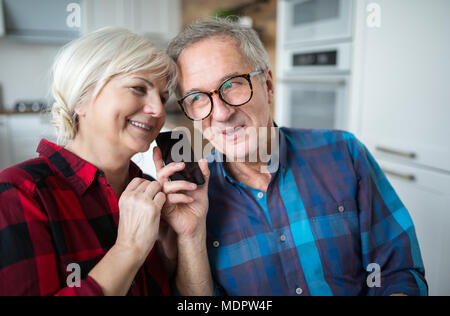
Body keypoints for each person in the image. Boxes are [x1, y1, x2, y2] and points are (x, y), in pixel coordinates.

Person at [167, 18, 428, 296]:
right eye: (196, 97)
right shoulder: (192, 198)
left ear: (267, 84)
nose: (220, 113)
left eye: (231, 84)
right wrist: (191, 237)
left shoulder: (344, 153)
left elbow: (395, 271)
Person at [0, 27, 211, 296]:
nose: (158, 110)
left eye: (162, 97)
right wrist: (128, 249)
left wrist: (181, 243)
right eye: (138, 88)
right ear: (81, 98)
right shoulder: (19, 194)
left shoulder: (152, 194)